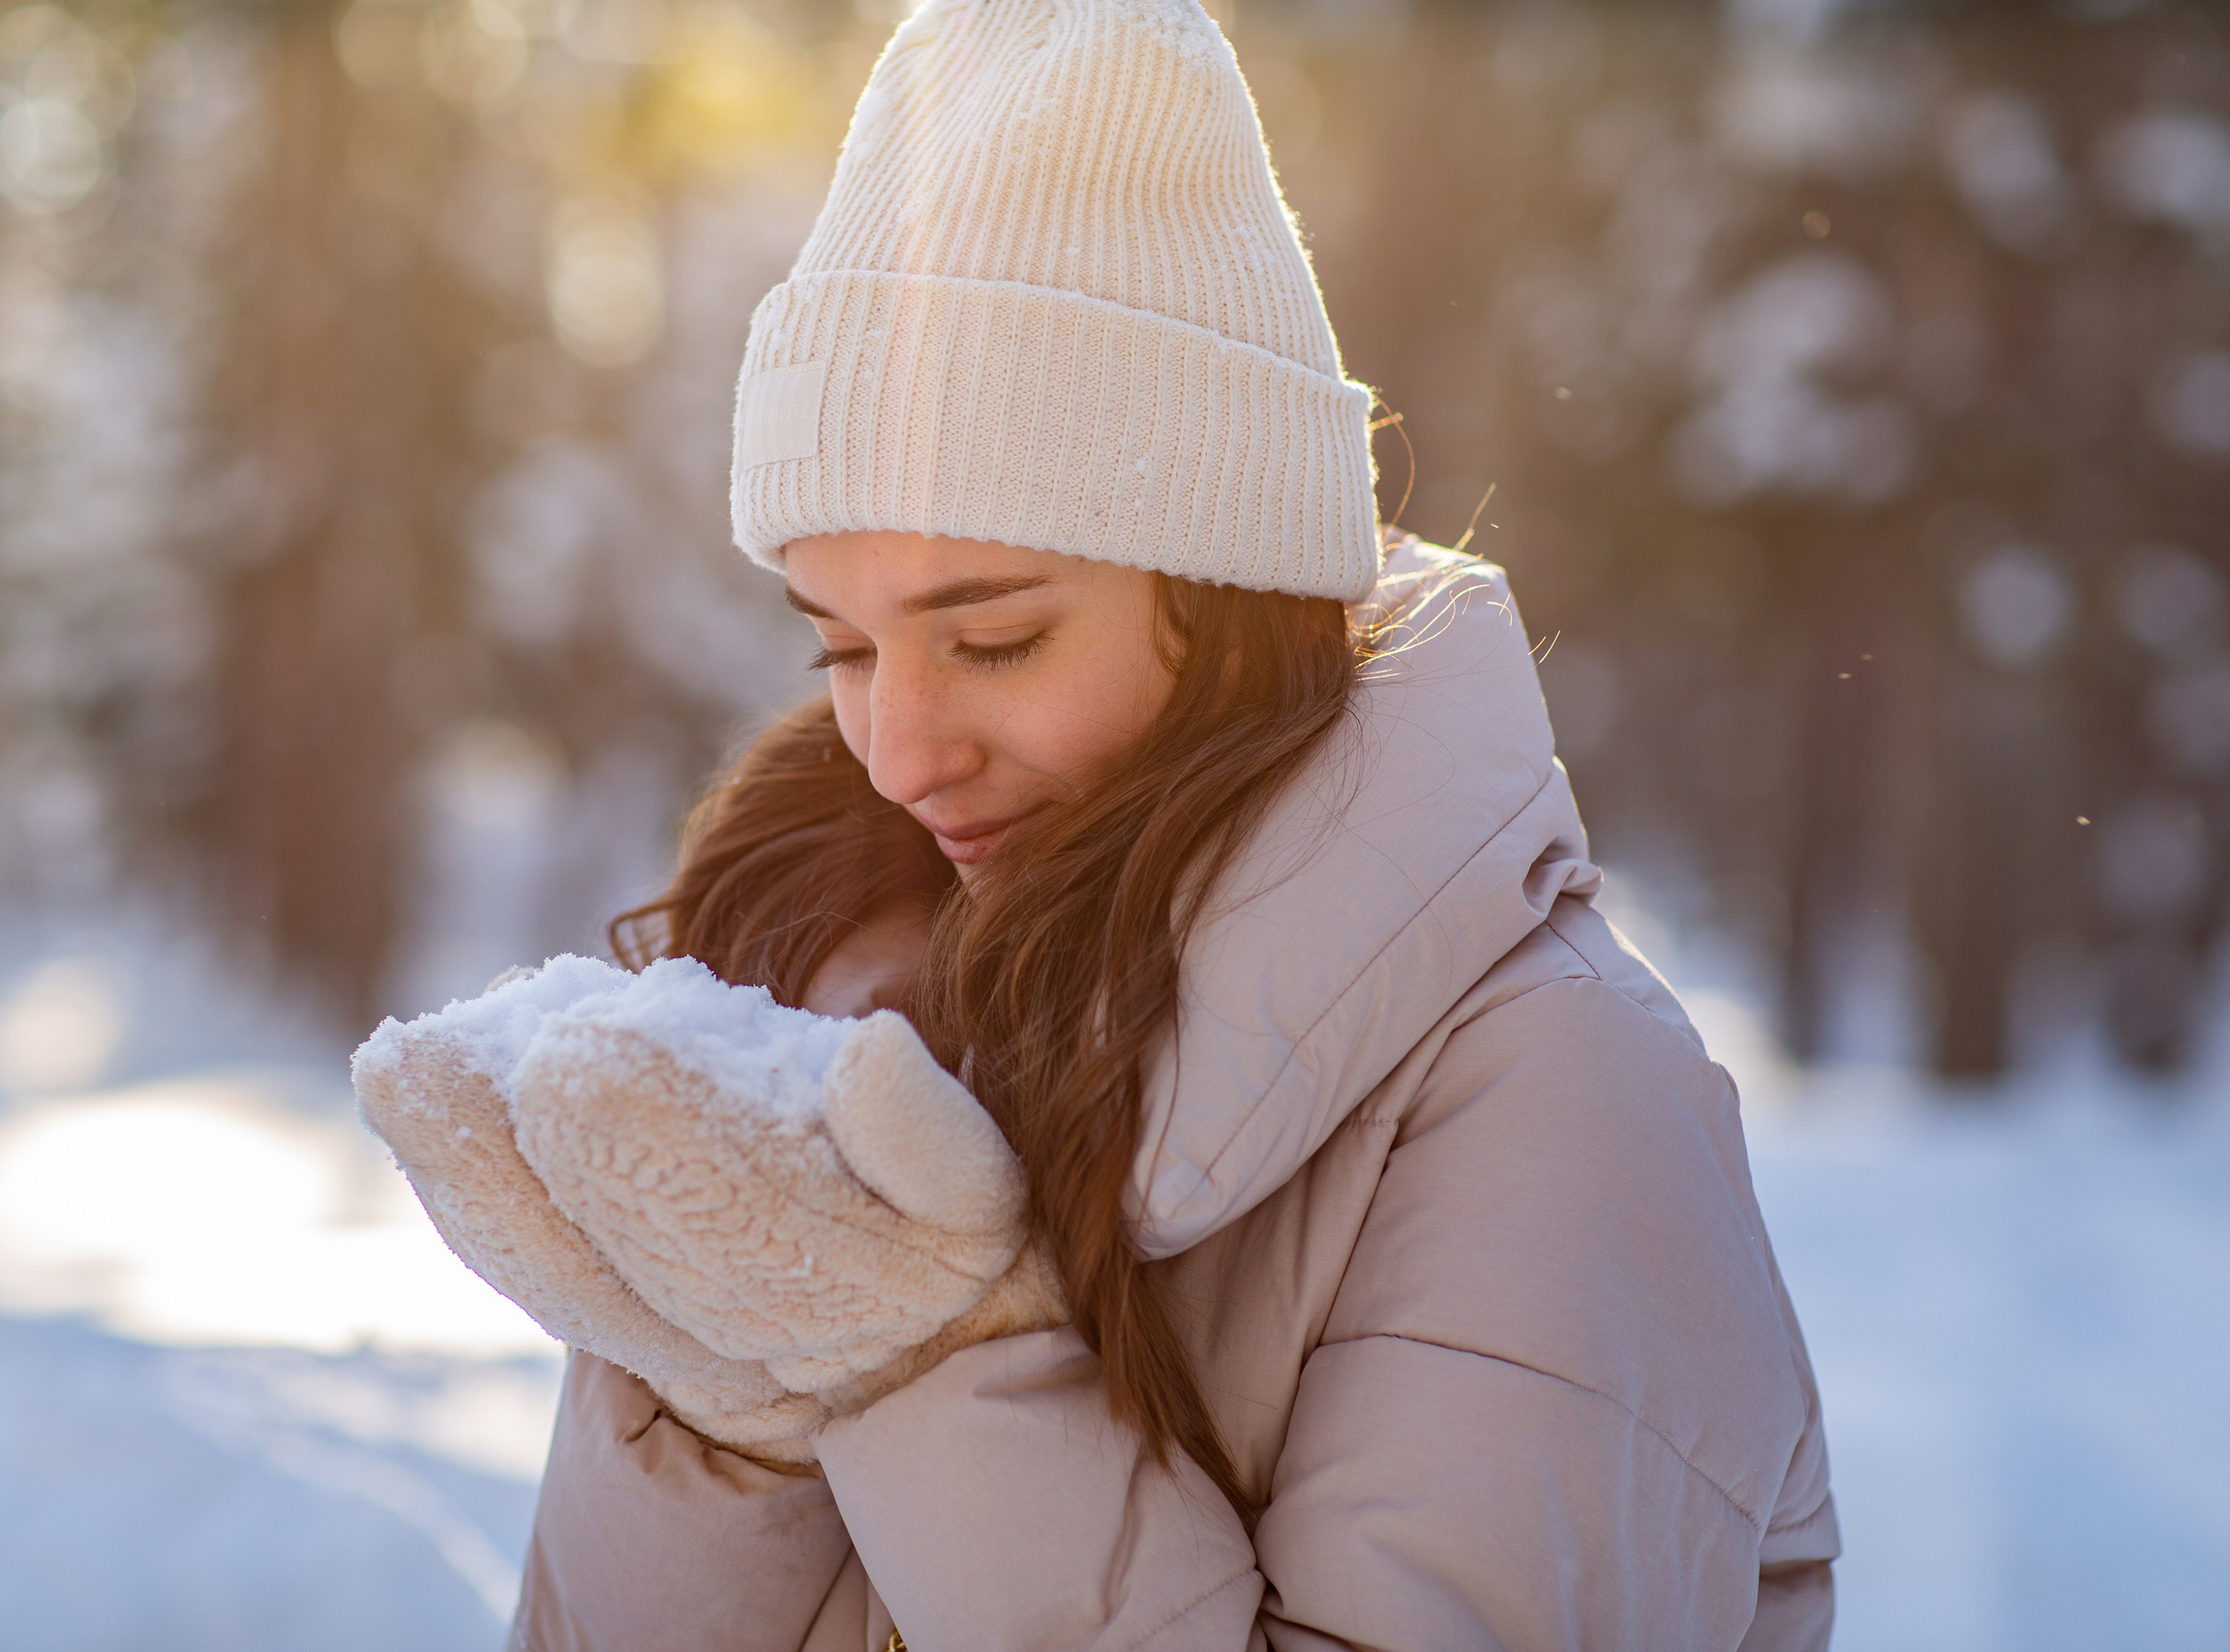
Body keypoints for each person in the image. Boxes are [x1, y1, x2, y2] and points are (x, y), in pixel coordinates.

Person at [507, 1, 1836, 1644]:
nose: (899, 751)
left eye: (994, 638)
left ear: (1228, 590)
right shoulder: (812, 1009)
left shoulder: (1566, 1105)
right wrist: (715, 1410)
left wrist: (932, 1348)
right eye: (839, 646)